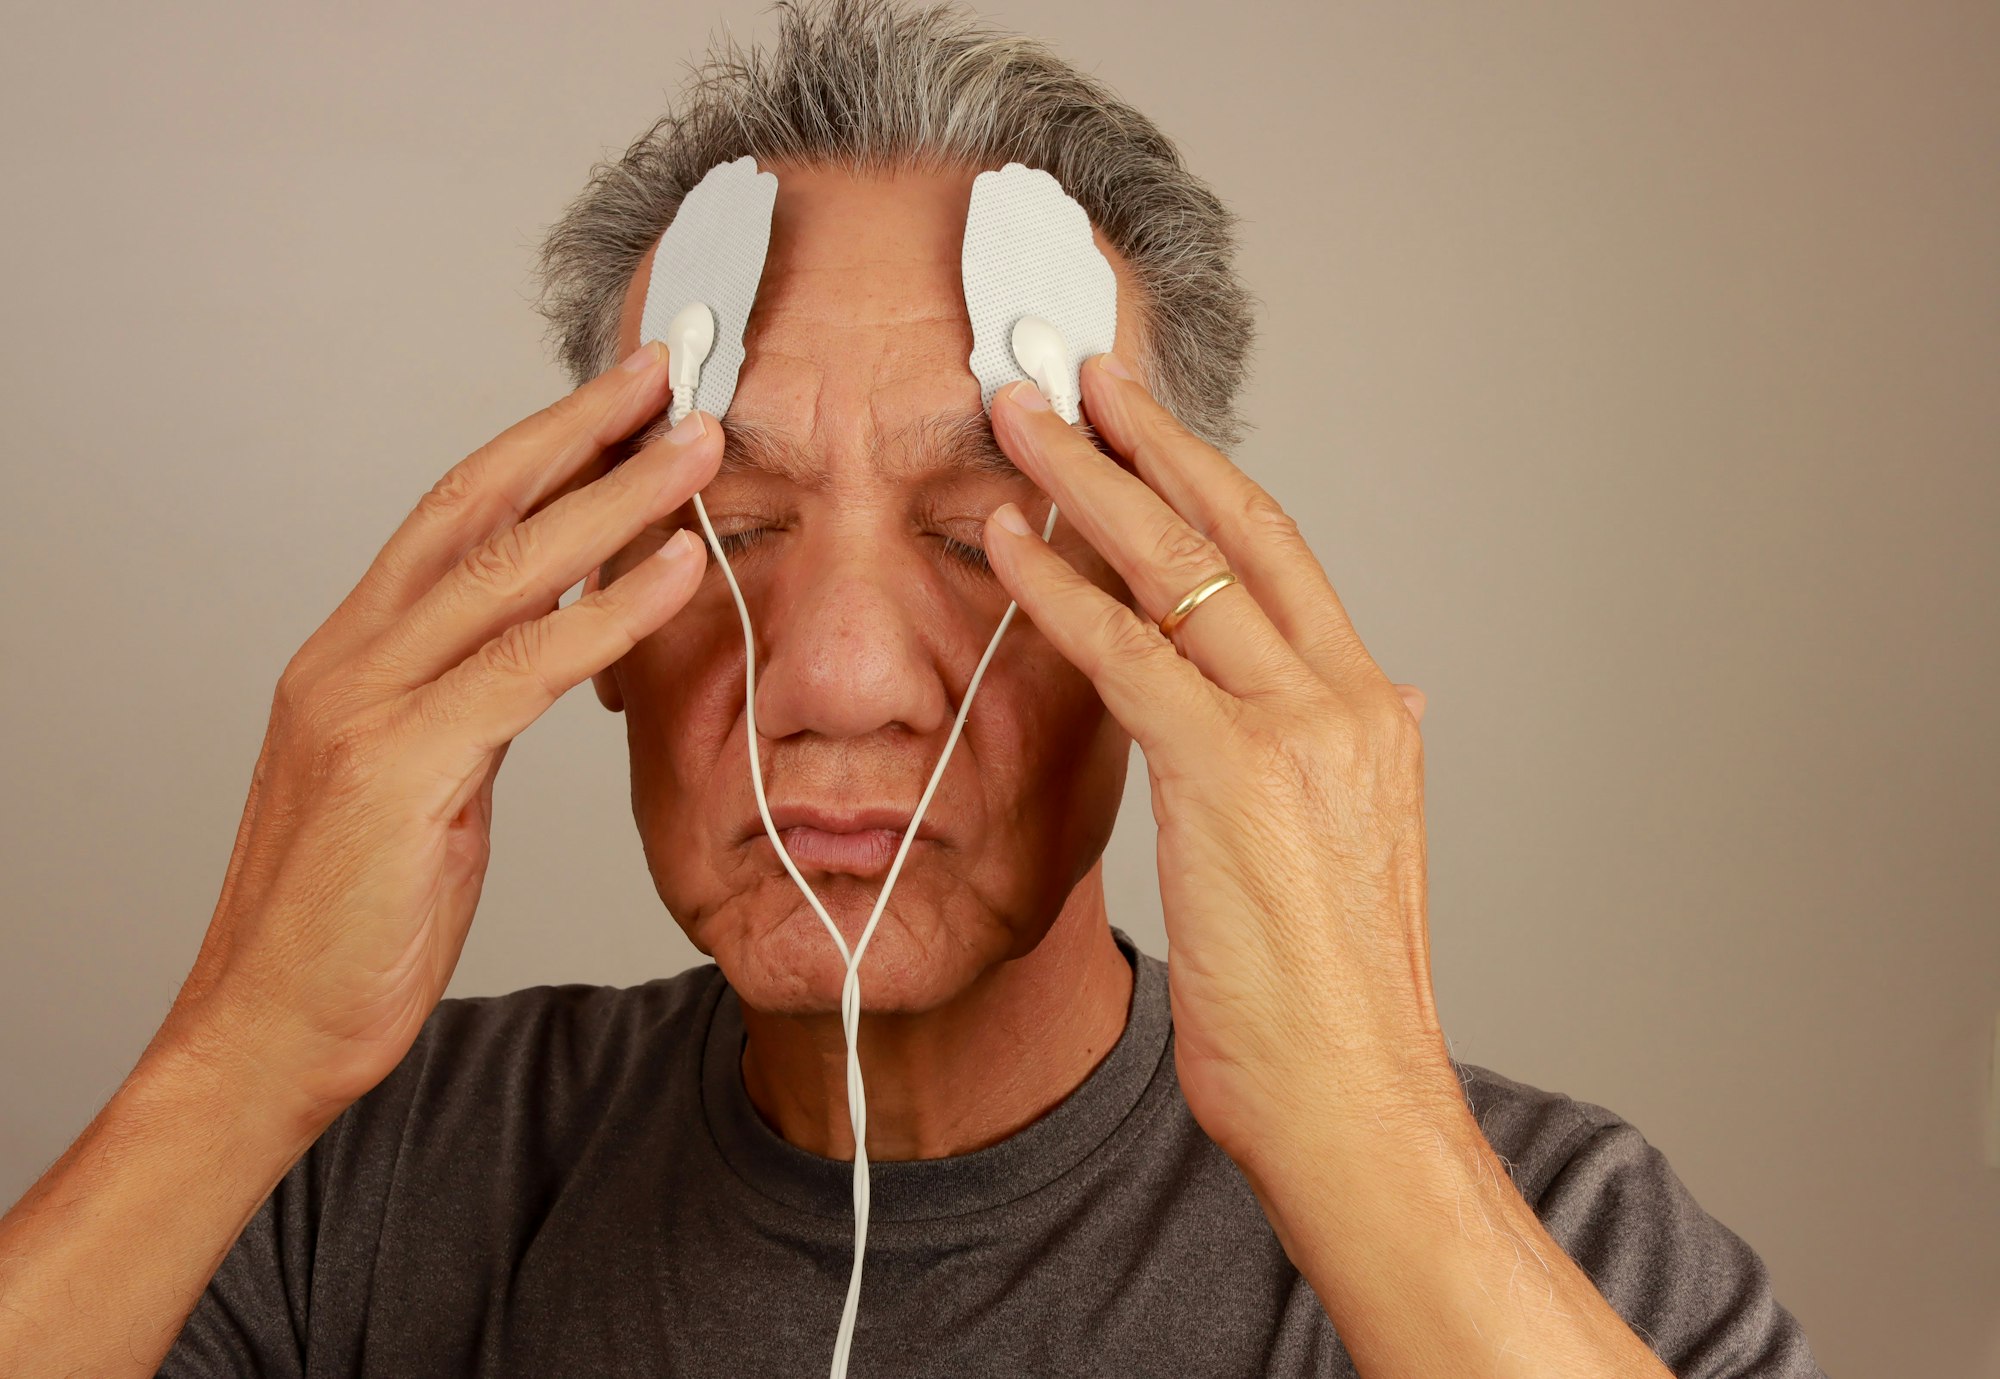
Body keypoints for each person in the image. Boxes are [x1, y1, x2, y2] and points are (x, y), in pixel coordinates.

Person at [0, 2, 1829, 1375]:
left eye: (980, 537)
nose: (841, 677)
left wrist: (1370, 1147)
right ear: (590, 618)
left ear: (1165, 628)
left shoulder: (1563, 1245)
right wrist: (237, 1060)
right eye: (730, 527)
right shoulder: (359, 1193)